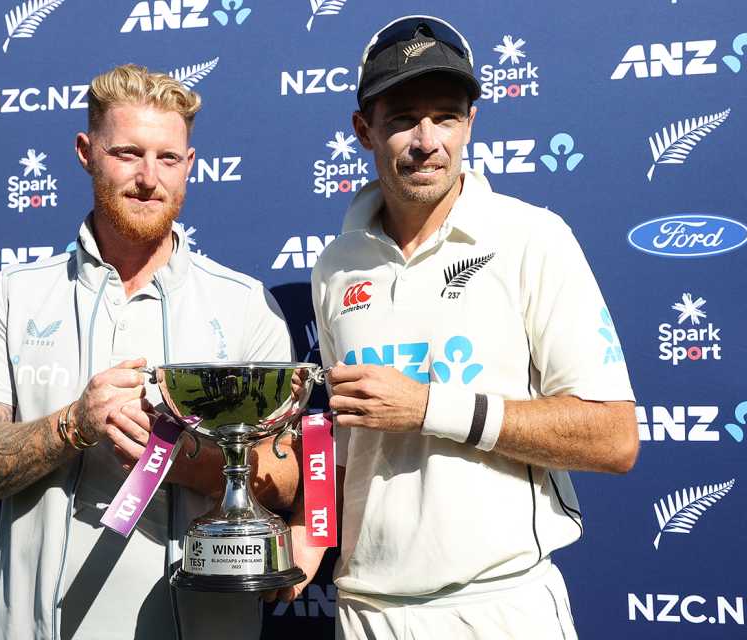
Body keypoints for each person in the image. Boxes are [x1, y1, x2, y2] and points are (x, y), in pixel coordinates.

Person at [267, 16, 639, 639]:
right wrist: (311, 531)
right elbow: (342, 438)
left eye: (445, 117)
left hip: (499, 605)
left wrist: (428, 407)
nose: (426, 141)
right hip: (365, 611)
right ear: (363, 130)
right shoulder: (336, 265)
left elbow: (613, 437)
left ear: (470, 123)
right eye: (402, 119)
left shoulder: (533, 237)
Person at [0, 64, 298, 640]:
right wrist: (72, 426)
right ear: (86, 152)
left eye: (168, 158)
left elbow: (285, 478)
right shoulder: (10, 296)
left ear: (189, 165)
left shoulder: (245, 305)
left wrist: (183, 462)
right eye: (128, 154)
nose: (149, 178)